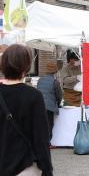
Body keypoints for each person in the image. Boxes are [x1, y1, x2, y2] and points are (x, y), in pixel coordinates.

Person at [0, 44, 53, 176]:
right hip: (23, 166)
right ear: (26, 66)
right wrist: (47, 169)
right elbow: (40, 138)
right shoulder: (33, 96)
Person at [37, 62, 63, 147]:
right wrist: (58, 104)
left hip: (39, 105)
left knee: (41, 125)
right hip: (49, 107)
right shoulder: (55, 82)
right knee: (49, 125)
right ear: (55, 71)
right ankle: (47, 143)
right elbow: (59, 95)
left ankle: (40, 142)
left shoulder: (40, 80)